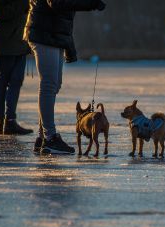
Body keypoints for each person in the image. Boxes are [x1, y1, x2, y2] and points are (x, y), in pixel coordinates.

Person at [24, 0, 106, 154]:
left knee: (54, 85)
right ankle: (50, 138)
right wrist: (90, 3)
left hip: (54, 34)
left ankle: (43, 137)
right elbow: (56, 3)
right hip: (44, 33)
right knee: (49, 85)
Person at [0, 0, 33, 135]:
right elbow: (0, 13)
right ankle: (4, 121)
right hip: (5, 40)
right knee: (4, 78)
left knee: (17, 80)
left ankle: (9, 120)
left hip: (20, 39)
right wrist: (24, 3)